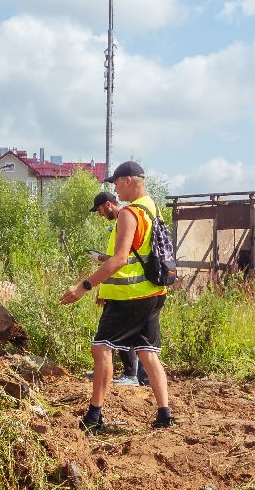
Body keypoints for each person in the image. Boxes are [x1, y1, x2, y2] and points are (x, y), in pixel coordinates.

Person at [60, 161, 172, 431]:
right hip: (154, 293)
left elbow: (120, 259)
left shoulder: (129, 213)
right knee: (147, 352)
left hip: (132, 298)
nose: (114, 188)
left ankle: (93, 417)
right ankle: (164, 415)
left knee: (101, 348)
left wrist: (82, 287)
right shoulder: (152, 208)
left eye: (116, 183)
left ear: (129, 181)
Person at [90, 189, 148, 387]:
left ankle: (131, 375)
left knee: (120, 335)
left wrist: (94, 282)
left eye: (99, 210)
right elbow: (115, 260)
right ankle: (116, 371)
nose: (100, 215)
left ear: (107, 205)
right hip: (119, 287)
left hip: (126, 288)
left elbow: (120, 260)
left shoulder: (125, 220)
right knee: (115, 336)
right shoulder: (120, 223)